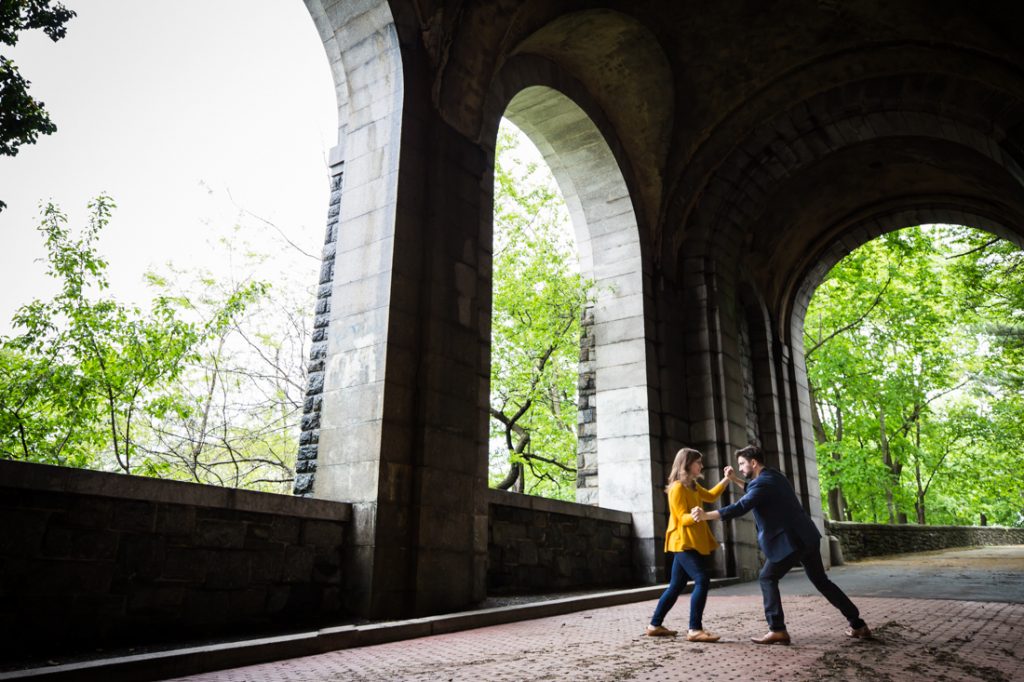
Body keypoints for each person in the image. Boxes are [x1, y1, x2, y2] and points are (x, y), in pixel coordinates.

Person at [691, 445, 871, 645]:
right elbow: (753, 489)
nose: (740, 468)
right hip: (807, 537)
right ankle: (858, 625)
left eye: (742, 464)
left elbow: (741, 506)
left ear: (753, 463)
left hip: (792, 542)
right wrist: (733, 479)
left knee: (767, 578)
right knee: (822, 581)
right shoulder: (774, 476)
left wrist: (706, 515)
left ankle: (777, 629)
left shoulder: (762, 484)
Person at [645, 447, 741, 642]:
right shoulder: (677, 488)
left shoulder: (694, 486)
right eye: (698, 462)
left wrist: (727, 479)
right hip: (682, 542)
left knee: (676, 585)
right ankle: (694, 629)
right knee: (702, 579)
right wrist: (697, 515)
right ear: (687, 464)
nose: (702, 465)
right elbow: (681, 518)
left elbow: (712, 496)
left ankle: (654, 625)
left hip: (691, 541)